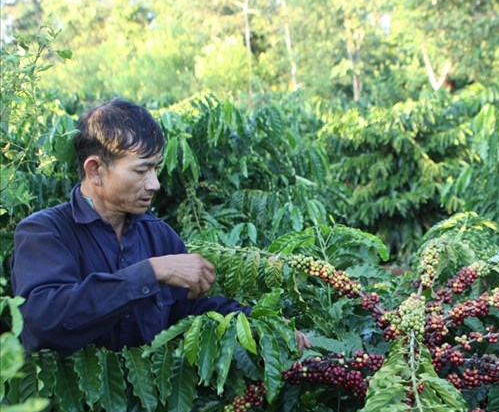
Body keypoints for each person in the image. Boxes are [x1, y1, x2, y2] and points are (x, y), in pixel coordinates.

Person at [11, 98, 310, 355]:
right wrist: (152, 272)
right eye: (142, 170)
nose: (154, 183)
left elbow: (185, 313)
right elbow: (42, 322)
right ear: (96, 170)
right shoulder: (45, 233)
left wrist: (257, 323)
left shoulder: (158, 235)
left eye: (156, 168)